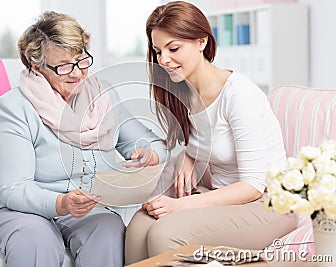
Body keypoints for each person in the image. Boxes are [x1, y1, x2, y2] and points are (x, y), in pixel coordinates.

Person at [0, 11, 167, 267]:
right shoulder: (15, 107)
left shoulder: (103, 97)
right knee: (38, 237)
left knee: (107, 227)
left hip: (80, 210)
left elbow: (153, 143)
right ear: (36, 64)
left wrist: (148, 153)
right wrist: (62, 203)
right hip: (15, 211)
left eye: (81, 61)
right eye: (63, 65)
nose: (77, 73)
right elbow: (14, 189)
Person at [124, 1, 298, 264]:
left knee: (165, 232)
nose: (164, 60)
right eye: (158, 51)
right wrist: (189, 156)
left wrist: (179, 206)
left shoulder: (239, 93)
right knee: (139, 225)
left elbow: (252, 186)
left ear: (201, 42)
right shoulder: (183, 92)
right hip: (223, 200)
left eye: (174, 49)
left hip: (268, 205)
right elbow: (208, 138)